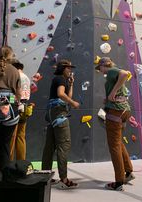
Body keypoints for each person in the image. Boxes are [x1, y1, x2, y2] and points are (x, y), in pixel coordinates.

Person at [95, 57, 134, 191]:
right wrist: (109, 97)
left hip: (116, 111)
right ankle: (128, 171)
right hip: (124, 110)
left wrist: (112, 93)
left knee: (114, 146)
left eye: (99, 68)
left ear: (102, 66)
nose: (99, 71)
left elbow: (124, 74)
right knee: (118, 142)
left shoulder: (111, 71)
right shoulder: (112, 74)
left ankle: (119, 182)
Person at [42, 59, 80, 189]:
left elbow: (64, 95)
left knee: (50, 146)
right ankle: (64, 179)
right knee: (64, 145)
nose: (70, 70)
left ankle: (44, 175)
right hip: (59, 114)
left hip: (53, 115)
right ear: (62, 69)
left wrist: (71, 84)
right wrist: (73, 103)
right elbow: (61, 94)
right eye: (68, 68)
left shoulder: (61, 80)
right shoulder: (60, 79)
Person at [10, 60, 31, 161]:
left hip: (15, 106)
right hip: (25, 107)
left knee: (11, 135)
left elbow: (13, 93)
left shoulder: (15, 76)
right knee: (21, 136)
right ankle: (21, 161)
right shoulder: (27, 78)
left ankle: (8, 161)